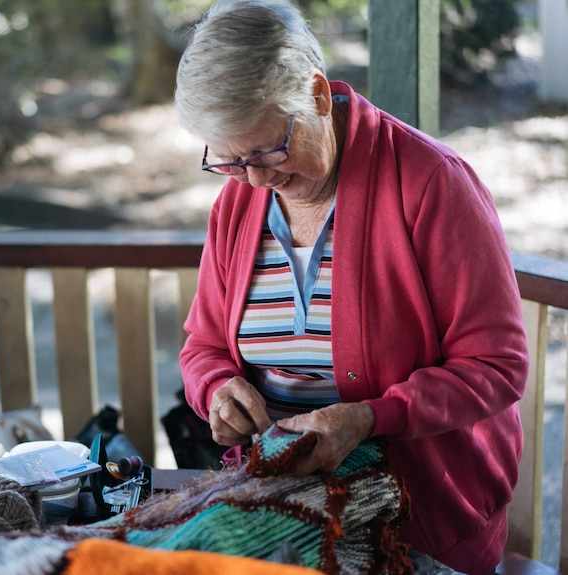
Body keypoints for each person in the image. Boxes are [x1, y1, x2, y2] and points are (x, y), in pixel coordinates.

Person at [175, 2, 528, 573]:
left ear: (316, 94)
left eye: (269, 150)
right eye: (233, 161)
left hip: (417, 516)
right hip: (284, 505)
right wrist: (215, 389)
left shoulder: (432, 183)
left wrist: (369, 417)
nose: (259, 180)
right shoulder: (238, 202)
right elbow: (204, 347)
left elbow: (497, 364)